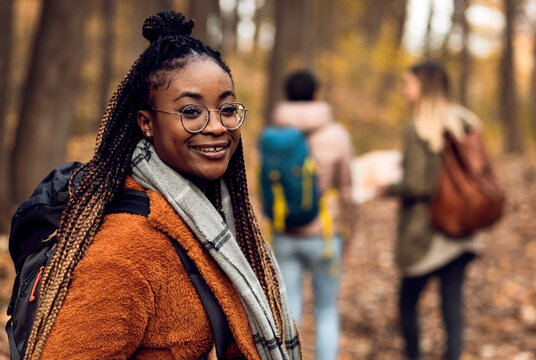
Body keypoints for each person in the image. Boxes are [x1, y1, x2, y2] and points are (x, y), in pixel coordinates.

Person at [23, 11, 301, 360]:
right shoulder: (125, 250)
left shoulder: (209, 217)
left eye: (227, 108)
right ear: (147, 123)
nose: (216, 126)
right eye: (191, 111)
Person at [385, 61, 482, 360]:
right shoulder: (467, 121)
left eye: (408, 83)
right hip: (463, 227)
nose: (403, 89)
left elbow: (418, 185)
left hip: (426, 233)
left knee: (407, 303)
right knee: (452, 309)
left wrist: (388, 187)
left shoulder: (417, 127)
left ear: (423, 87)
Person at [270, 70, 356, 360]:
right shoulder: (337, 135)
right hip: (326, 235)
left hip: (285, 232)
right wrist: (350, 237)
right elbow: (347, 192)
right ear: (317, 94)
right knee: (327, 310)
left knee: (290, 309)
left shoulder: (274, 134)